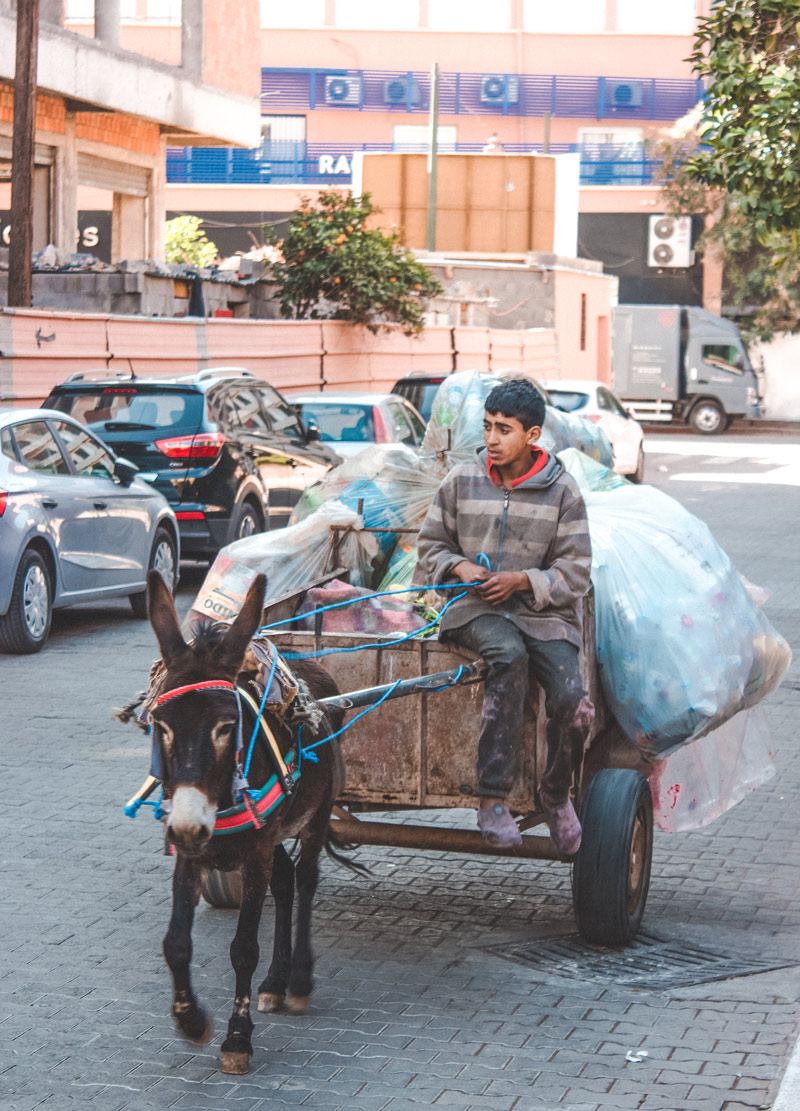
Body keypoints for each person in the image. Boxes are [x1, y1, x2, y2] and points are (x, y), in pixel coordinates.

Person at [417, 379, 594, 854]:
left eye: (505, 430)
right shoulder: (460, 481)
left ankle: (556, 794)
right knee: (507, 654)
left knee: (575, 703)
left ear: (532, 436)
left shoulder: (563, 493)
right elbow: (429, 548)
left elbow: (575, 572)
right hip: (472, 610)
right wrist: (459, 566)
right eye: (488, 427)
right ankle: (492, 796)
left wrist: (523, 581)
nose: (492, 439)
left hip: (545, 617)